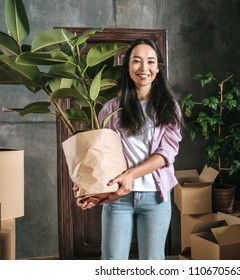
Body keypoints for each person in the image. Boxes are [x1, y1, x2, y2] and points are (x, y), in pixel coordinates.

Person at [75, 38, 184, 260]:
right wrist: (90, 191)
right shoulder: (111, 109)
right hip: (118, 199)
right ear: (127, 67)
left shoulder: (168, 107)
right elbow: (100, 158)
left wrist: (130, 175)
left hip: (156, 197)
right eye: (137, 61)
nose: (144, 68)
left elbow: (166, 154)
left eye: (151, 62)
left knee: (152, 264)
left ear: (158, 69)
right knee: (112, 263)